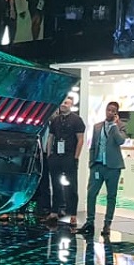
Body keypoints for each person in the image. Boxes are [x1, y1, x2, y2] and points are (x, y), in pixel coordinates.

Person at [77, 101, 127, 237]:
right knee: (91, 193)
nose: (110, 112)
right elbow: (93, 146)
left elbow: (120, 141)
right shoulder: (97, 126)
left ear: (116, 113)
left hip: (113, 167)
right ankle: (90, 222)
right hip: (98, 165)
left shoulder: (121, 126)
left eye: (113, 111)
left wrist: (114, 126)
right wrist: (91, 163)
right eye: (108, 110)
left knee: (111, 196)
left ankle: (107, 224)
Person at [44, 96, 85, 225]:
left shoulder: (77, 120)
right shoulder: (55, 120)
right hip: (56, 157)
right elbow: (51, 137)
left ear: (71, 104)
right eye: (62, 102)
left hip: (69, 156)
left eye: (66, 103)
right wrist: (49, 154)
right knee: (55, 185)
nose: (63, 104)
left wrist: (76, 157)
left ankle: (73, 214)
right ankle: (54, 212)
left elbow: (80, 139)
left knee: (72, 186)